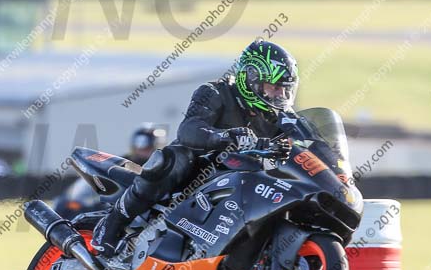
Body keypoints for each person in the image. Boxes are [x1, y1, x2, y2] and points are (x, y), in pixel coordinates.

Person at [92, 39, 298, 258]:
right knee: (175, 158)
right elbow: (189, 130)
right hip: (197, 173)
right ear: (251, 79)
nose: (280, 96)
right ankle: (112, 224)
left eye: (284, 91)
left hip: (245, 180)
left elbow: (308, 139)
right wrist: (227, 137)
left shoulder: (281, 118)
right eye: (274, 88)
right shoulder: (215, 92)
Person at [54, 124, 168, 219]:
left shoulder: (164, 168)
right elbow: (94, 180)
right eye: (139, 148)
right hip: (113, 208)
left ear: (157, 147)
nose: (142, 152)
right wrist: (74, 199)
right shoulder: (122, 162)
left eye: (147, 148)